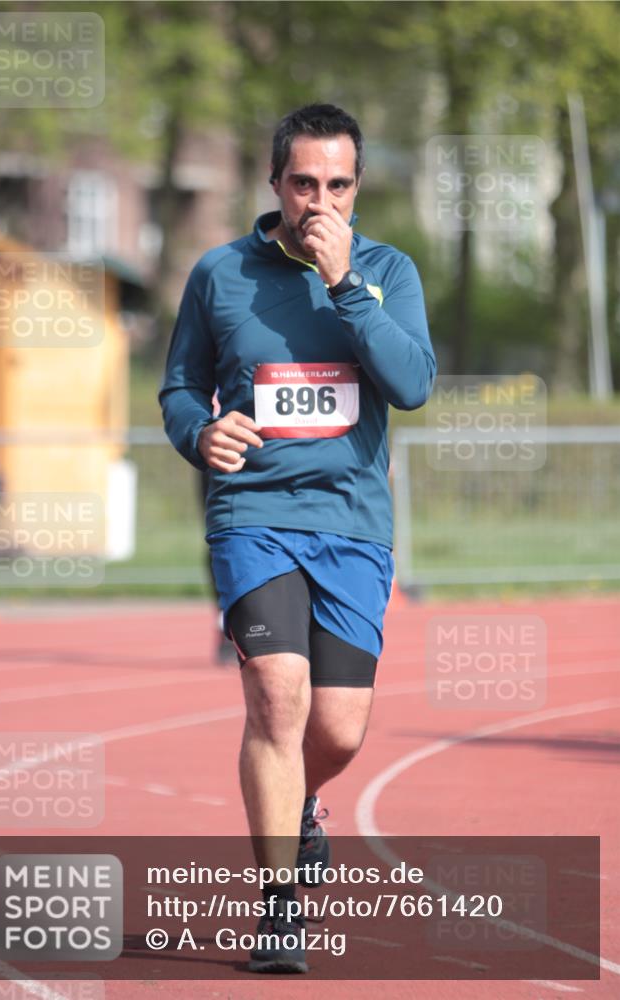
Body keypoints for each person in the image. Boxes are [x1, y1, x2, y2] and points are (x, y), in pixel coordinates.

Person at [159, 103, 436, 973]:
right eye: (303, 183)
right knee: (277, 696)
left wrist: (347, 283)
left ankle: (303, 802)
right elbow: (178, 385)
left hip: (352, 525)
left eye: (338, 185)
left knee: (340, 732)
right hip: (253, 517)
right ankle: (279, 912)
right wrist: (198, 436)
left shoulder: (387, 269)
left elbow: (412, 384)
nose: (320, 201)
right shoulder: (220, 273)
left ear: (357, 187)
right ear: (274, 183)